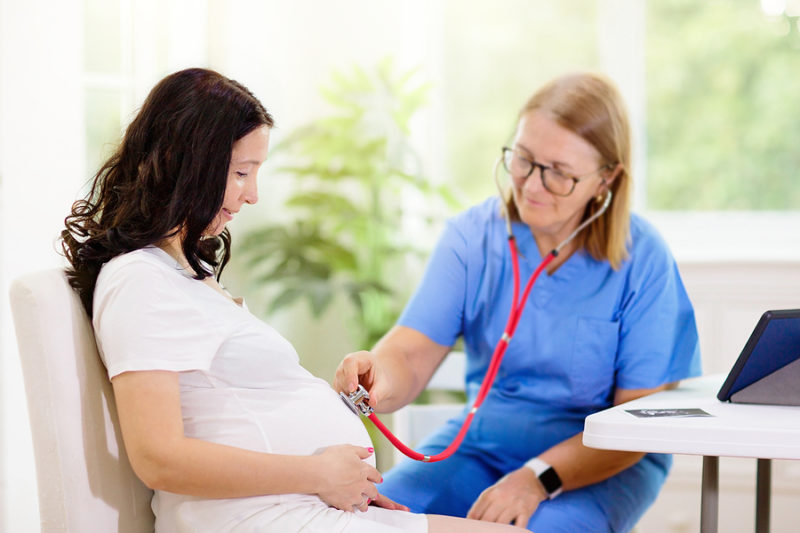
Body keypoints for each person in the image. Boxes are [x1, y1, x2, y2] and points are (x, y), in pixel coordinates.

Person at [60, 68, 523, 533]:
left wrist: (346, 479)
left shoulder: (180, 275)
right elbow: (158, 457)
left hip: (295, 507)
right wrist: (318, 474)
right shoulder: (139, 280)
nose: (252, 195)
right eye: (241, 173)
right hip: (262, 518)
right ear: (189, 164)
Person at [334, 72, 702, 533]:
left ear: (606, 179)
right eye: (523, 160)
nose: (531, 185)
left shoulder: (642, 258)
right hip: (482, 448)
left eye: (560, 173)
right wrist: (378, 375)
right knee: (363, 519)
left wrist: (538, 477)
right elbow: (410, 351)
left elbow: (637, 423)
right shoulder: (472, 238)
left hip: (602, 462)